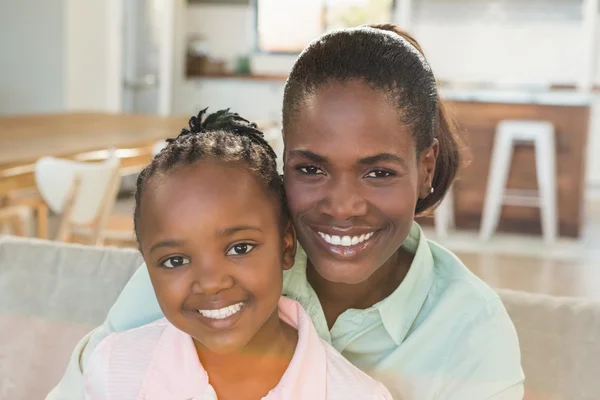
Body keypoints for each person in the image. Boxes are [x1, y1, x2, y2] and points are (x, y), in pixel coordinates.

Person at [49, 24, 524, 400]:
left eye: (378, 172)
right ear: (283, 162)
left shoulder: (472, 333)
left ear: (425, 168)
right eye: (311, 168)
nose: (342, 206)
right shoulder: (203, 262)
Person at [83, 108, 392, 399]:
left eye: (239, 248)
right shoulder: (114, 370)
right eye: (176, 260)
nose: (211, 282)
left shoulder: (356, 395)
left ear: (286, 245)